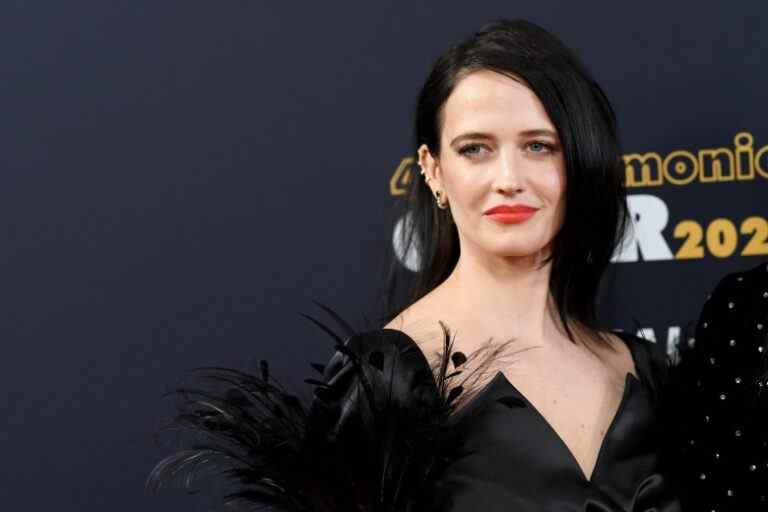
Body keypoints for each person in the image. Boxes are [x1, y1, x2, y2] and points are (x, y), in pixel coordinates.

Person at [147, 18, 692, 511]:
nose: (508, 178)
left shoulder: (643, 369)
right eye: (475, 148)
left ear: (579, 162)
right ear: (433, 171)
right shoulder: (390, 381)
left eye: (539, 146)